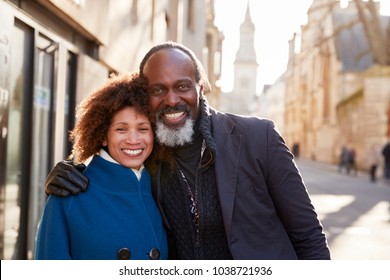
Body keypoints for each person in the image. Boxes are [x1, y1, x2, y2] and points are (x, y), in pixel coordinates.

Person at [44, 41, 330, 260]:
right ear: (146, 96)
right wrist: (69, 175)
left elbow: (308, 236)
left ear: (200, 87)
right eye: (157, 90)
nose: (171, 99)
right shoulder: (147, 152)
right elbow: (113, 179)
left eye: (182, 86)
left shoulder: (258, 137)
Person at [35, 72, 168, 260]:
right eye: (121, 129)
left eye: (143, 129)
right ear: (103, 136)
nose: (133, 140)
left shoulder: (161, 190)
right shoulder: (67, 196)